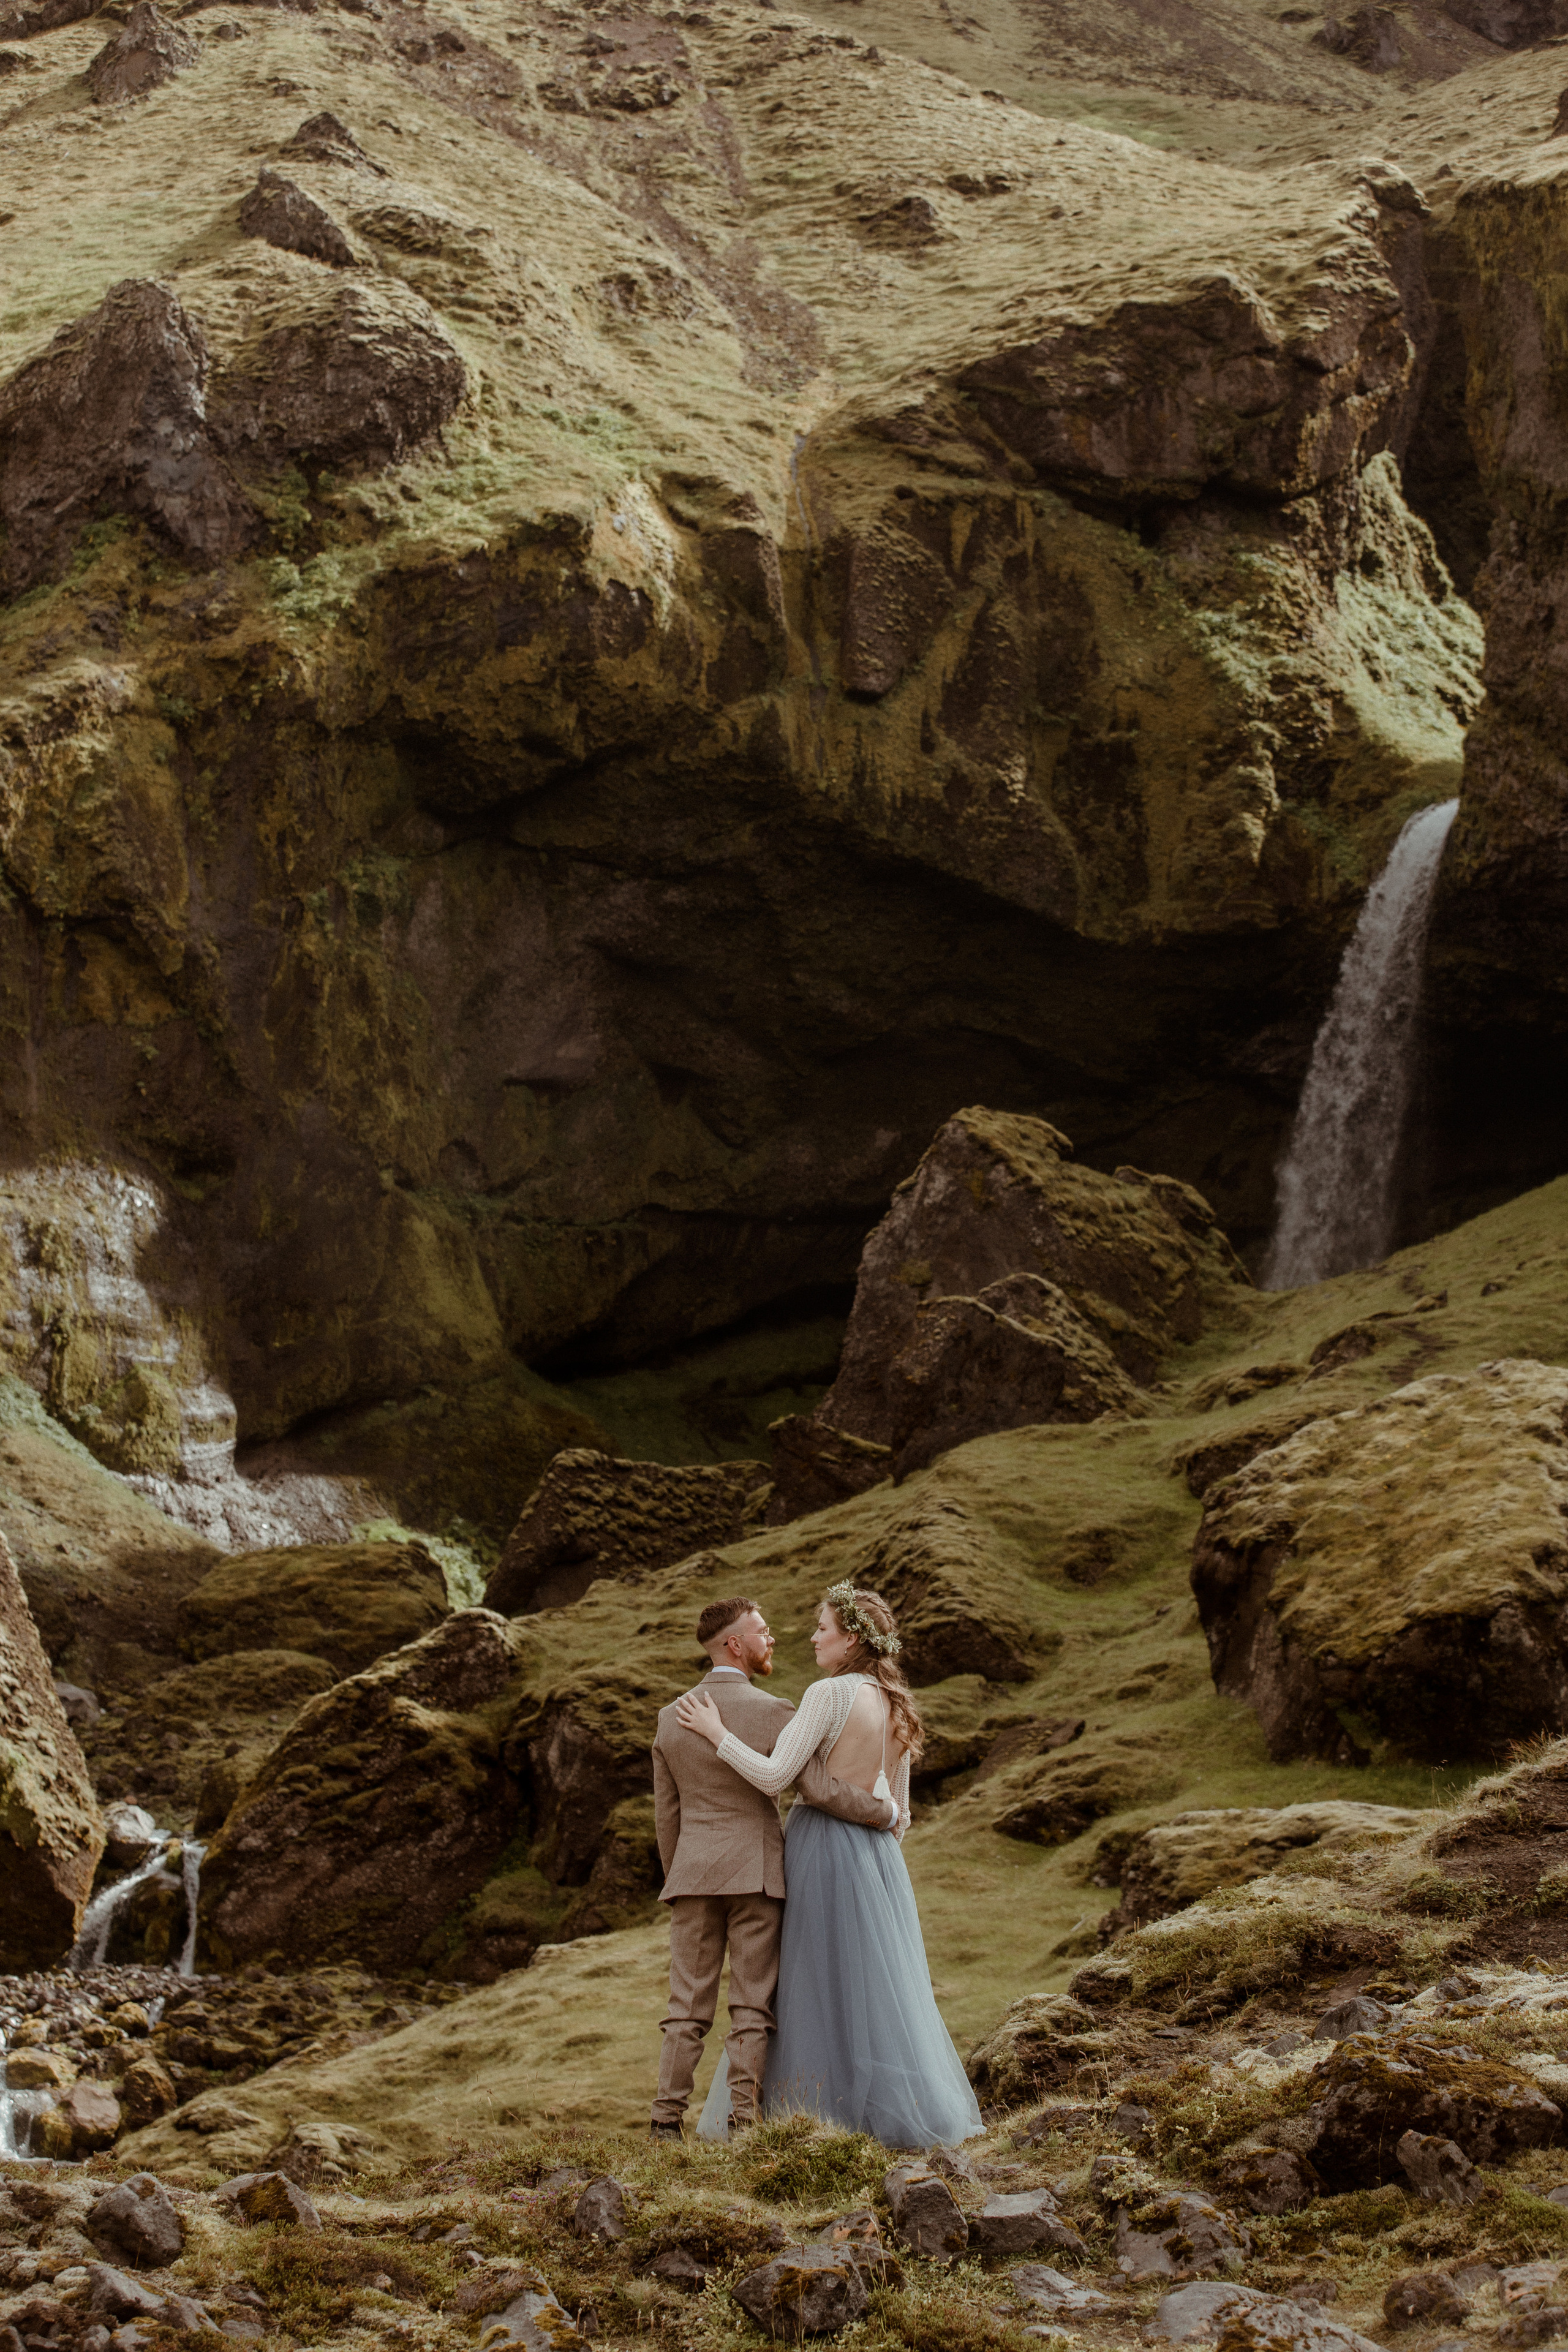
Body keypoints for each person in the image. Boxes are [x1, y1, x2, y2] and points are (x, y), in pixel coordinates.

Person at [676, 1580, 984, 2150]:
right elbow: (902, 1815)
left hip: (820, 1847)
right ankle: (887, 2117)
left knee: (809, 1984)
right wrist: (872, 1829)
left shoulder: (829, 1694)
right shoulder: (895, 1703)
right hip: (878, 1861)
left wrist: (717, 1732)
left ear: (850, 1641)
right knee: (871, 1989)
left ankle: (812, 2115)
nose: (812, 1637)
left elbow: (774, 1777)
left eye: (822, 1628)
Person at [650, 1594, 899, 2142]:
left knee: (685, 2008)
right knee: (751, 2007)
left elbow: (667, 1816)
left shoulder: (671, 1719)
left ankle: (665, 2123)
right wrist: (885, 1813)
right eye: (762, 1632)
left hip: (692, 1878)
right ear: (734, 1644)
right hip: (758, 1878)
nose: (774, 1640)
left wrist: (681, 1875)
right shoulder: (776, 1711)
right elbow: (815, 1789)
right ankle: (743, 2124)